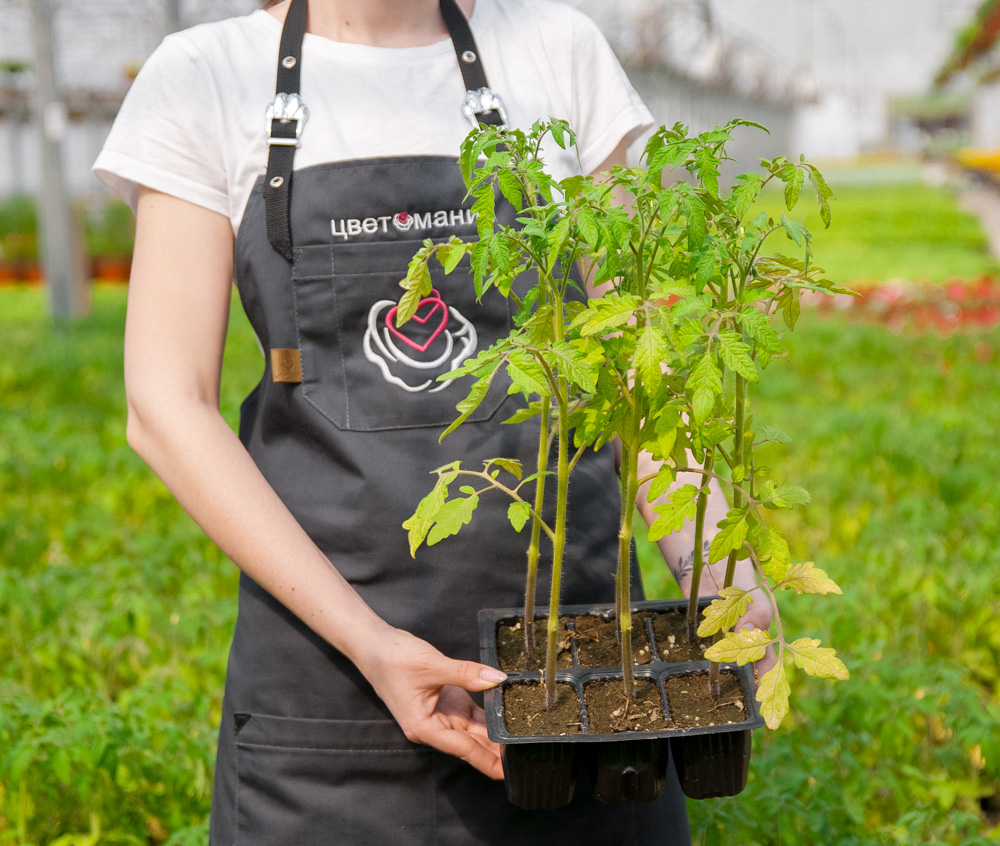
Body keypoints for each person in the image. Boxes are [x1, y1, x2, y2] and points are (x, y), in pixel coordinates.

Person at [94, 1, 772, 843]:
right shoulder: (206, 75)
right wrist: (372, 643)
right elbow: (166, 407)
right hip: (330, 702)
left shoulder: (557, 50)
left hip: (592, 689)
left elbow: (636, 358)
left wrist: (718, 566)